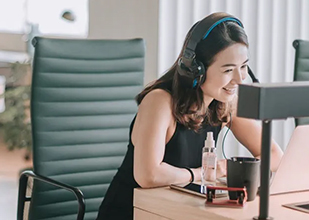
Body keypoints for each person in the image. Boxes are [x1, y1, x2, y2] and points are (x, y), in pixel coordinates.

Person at [96, 12, 283, 220]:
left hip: (178, 211)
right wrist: (199, 173)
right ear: (196, 70)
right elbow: (148, 175)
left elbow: (275, 155)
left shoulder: (225, 103)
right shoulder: (160, 102)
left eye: (243, 66)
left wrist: (239, 173)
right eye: (228, 70)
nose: (239, 79)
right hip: (133, 213)